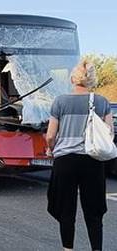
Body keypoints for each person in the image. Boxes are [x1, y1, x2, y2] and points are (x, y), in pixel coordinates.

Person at [45, 59, 114, 251]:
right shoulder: (102, 102)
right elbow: (109, 132)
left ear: (73, 79)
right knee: (94, 211)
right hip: (92, 161)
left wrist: (51, 148)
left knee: (66, 209)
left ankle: (68, 249)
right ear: (92, 80)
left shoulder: (60, 101)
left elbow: (51, 135)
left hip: (65, 161)